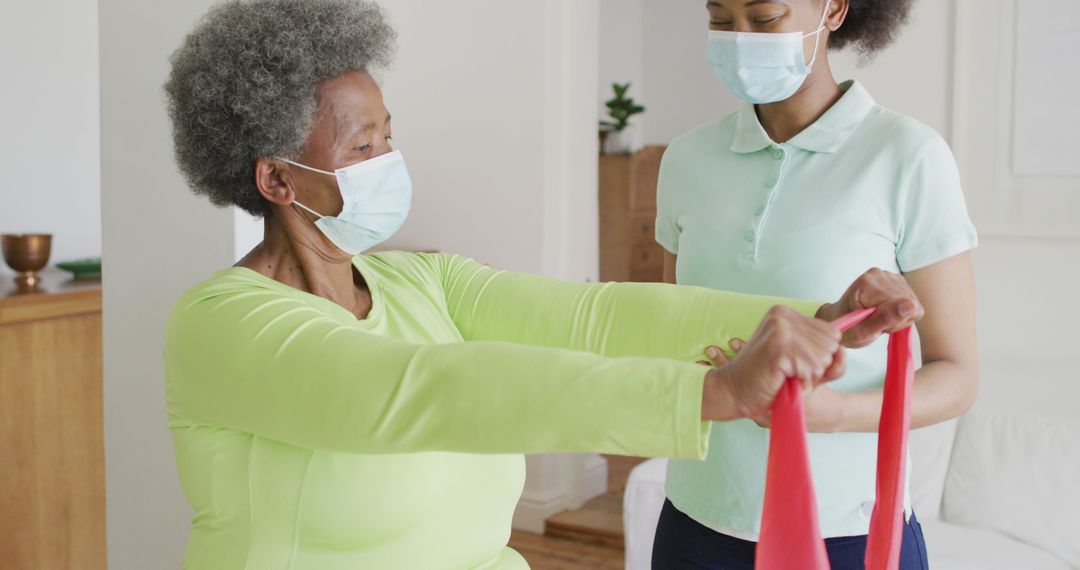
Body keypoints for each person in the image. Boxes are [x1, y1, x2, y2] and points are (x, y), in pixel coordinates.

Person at [161, 1, 922, 568]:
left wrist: (805, 316)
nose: (391, 156)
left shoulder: (419, 281)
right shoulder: (221, 324)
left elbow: (593, 317)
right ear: (276, 179)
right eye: (363, 144)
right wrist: (712, 394)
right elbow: (426, 392)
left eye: (390, 133)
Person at [651, 1, 979, 568]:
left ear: (833, 10)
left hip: (846, 531)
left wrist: (832, 415)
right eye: (721, 19)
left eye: (765, 16)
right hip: (695, 521)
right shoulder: (685, 160)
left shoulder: (907, 156)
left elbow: (958, 375)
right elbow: (664, 331)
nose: (740, 38)